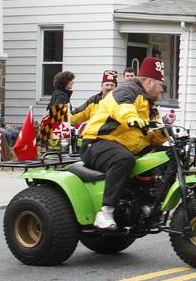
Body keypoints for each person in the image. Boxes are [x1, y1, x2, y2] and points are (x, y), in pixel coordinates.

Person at [81, 57, 169, 230]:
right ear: (149, 82)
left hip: (126, 145)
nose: (162, 90)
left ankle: (149, 205)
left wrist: (165, 132)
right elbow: (123, 108)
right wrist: (132, 119)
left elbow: (153, 136)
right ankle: (105, 212)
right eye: (161, 85)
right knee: (123, 159)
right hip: (98, 142)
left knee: (165, 156)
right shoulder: (126, 91)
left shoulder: (150, 105)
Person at [36, 70, 75, 145]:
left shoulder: (57, 93)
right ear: (65, 82)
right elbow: (59, 116)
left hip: (52, 131)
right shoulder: (61, 96)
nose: (73, 82)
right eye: (71, 80)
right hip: (57, 133)